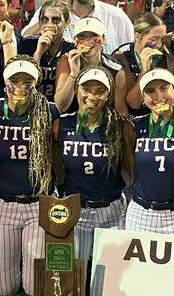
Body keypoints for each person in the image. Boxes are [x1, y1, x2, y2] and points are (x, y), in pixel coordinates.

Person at [0, 58, 58, 296]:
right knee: (4, 289)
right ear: (6, 83)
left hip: (38, 202)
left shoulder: (49, 110)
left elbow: (57, 152)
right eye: (15, 81)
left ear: (36, 83)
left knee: (35, 287)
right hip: (4, 202)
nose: (20, 88)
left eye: (28, 82)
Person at [53, 67, 134, 260]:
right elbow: (55, 162)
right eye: (86, 89)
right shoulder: (61, 125)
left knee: (107, 280)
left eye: (100, 91)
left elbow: (130, 168)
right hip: (76, 209)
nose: (92, 96)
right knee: (74, 278)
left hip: (111, 209)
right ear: (76, 90)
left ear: (109, 95)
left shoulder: (120, 127)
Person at [126, 68, 174, 235]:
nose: (158, 95)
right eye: (150, 91)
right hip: (140, 213)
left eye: (164, 88)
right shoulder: (135, 126)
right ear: (143, 98)